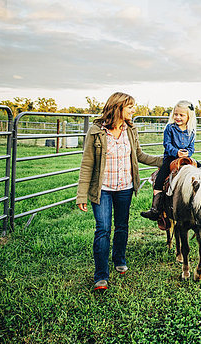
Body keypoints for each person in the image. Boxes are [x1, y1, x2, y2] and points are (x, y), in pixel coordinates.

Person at [76, 92, 163, 291]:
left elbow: (139, 155)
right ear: (118, 108)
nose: (134, 110)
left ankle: (119, 258)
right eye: (130, 107)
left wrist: (165, 160)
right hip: (103, 189)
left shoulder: (130, 130)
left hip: (125, 186)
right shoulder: (96, 131)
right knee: (103, 229)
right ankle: (101, 276)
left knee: (122, 226)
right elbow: (87, 164)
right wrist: (82, 194)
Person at [140, 100, 196, 221]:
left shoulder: (191, 131)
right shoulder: (170, 128)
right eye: (176, 114)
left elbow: (192, 147)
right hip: (171, 158)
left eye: (181, 115)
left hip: (186, 159)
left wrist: (188, 153)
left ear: (188, 116)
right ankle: (155, 209)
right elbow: (167, 144)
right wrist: (177, 152)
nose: (178, 117)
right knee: (160, 179)